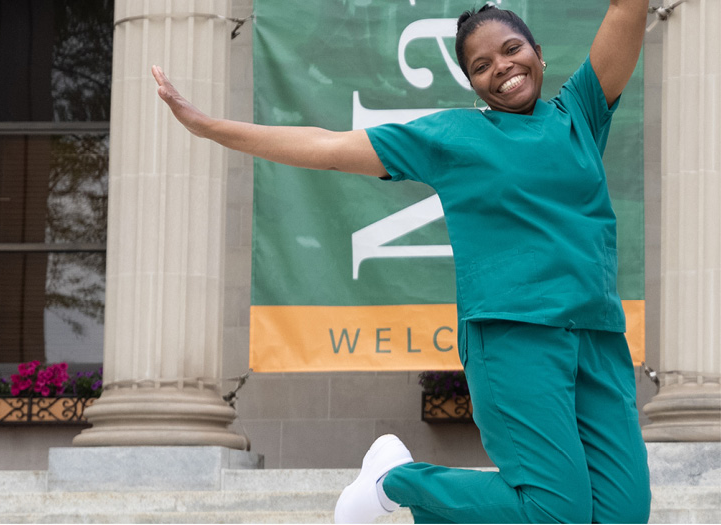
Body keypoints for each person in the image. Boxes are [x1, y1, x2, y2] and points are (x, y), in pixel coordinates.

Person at [153, 1, 651, 522]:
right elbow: (329, 148)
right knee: (556, 512)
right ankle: (396, 482)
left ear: (538, 53)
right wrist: (209, 127)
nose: (502, 67)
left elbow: (627, 10)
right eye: (481, 66)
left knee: (625, 513)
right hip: (515, 336)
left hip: (598, 336)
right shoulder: (456, 137)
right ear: (472, 83)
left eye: (511, 49)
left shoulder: (579, 115)